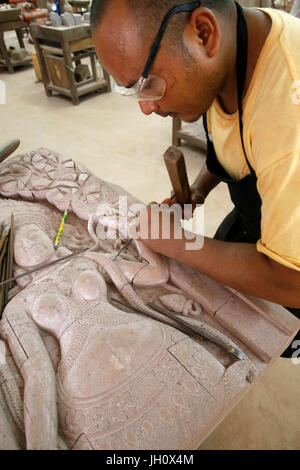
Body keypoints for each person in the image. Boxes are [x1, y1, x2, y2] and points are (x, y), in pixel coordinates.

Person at [90, 0, 300, 356]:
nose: (145, 107)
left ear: (204, 33)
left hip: (288, 272)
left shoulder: (287, 115)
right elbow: (237, 141)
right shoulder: (238, 48)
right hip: (260, 223)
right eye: (132, 91)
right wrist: (199, 189)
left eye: (146, 84)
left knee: (268, 341)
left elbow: (291, 279)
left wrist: (178, 243)